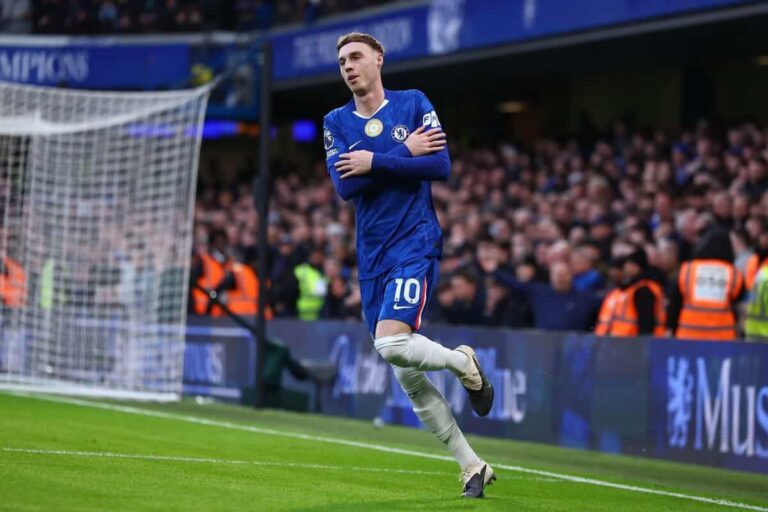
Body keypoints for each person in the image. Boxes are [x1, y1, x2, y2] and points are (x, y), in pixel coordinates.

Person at [323, 32, 495, 497]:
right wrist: (402, 154)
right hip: (371, 254)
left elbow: (440, 166)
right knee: (407, 375)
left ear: (378, 59)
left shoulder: (414, 103)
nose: (348, 66)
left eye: (356, 57)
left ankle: (462, 362)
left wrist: (374, 161)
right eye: (342, 61)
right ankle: (472, 465)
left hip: (414, 242)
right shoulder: (335, 122)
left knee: (391, 343)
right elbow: (346, 187)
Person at [667, 229, 744, 341]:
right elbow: (740, 302)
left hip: (688, 336)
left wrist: (671, 327)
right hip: (722, 338)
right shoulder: (733, 273)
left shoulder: (688, 270)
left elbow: (674, 303)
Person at [595, 249, 666, 337]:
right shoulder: (626, 289)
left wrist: (643, 341)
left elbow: (646, 321)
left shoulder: (643, 290)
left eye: (630, 265)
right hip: (620, 339)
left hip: (632, 340)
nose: (627, 269)